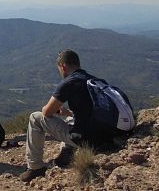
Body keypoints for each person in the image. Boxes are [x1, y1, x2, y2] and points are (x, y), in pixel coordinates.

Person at [20, 49, 127, 182]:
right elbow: (91, 112)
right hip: (106, 136)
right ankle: (67, 152)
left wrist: (48, 109)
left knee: (35, 118)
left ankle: (35, 167)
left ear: (63, 66)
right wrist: (68, 113)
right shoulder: (93, 80)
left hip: (86, 139)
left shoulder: (68, 83)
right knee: (69, 117)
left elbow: (46, 112)